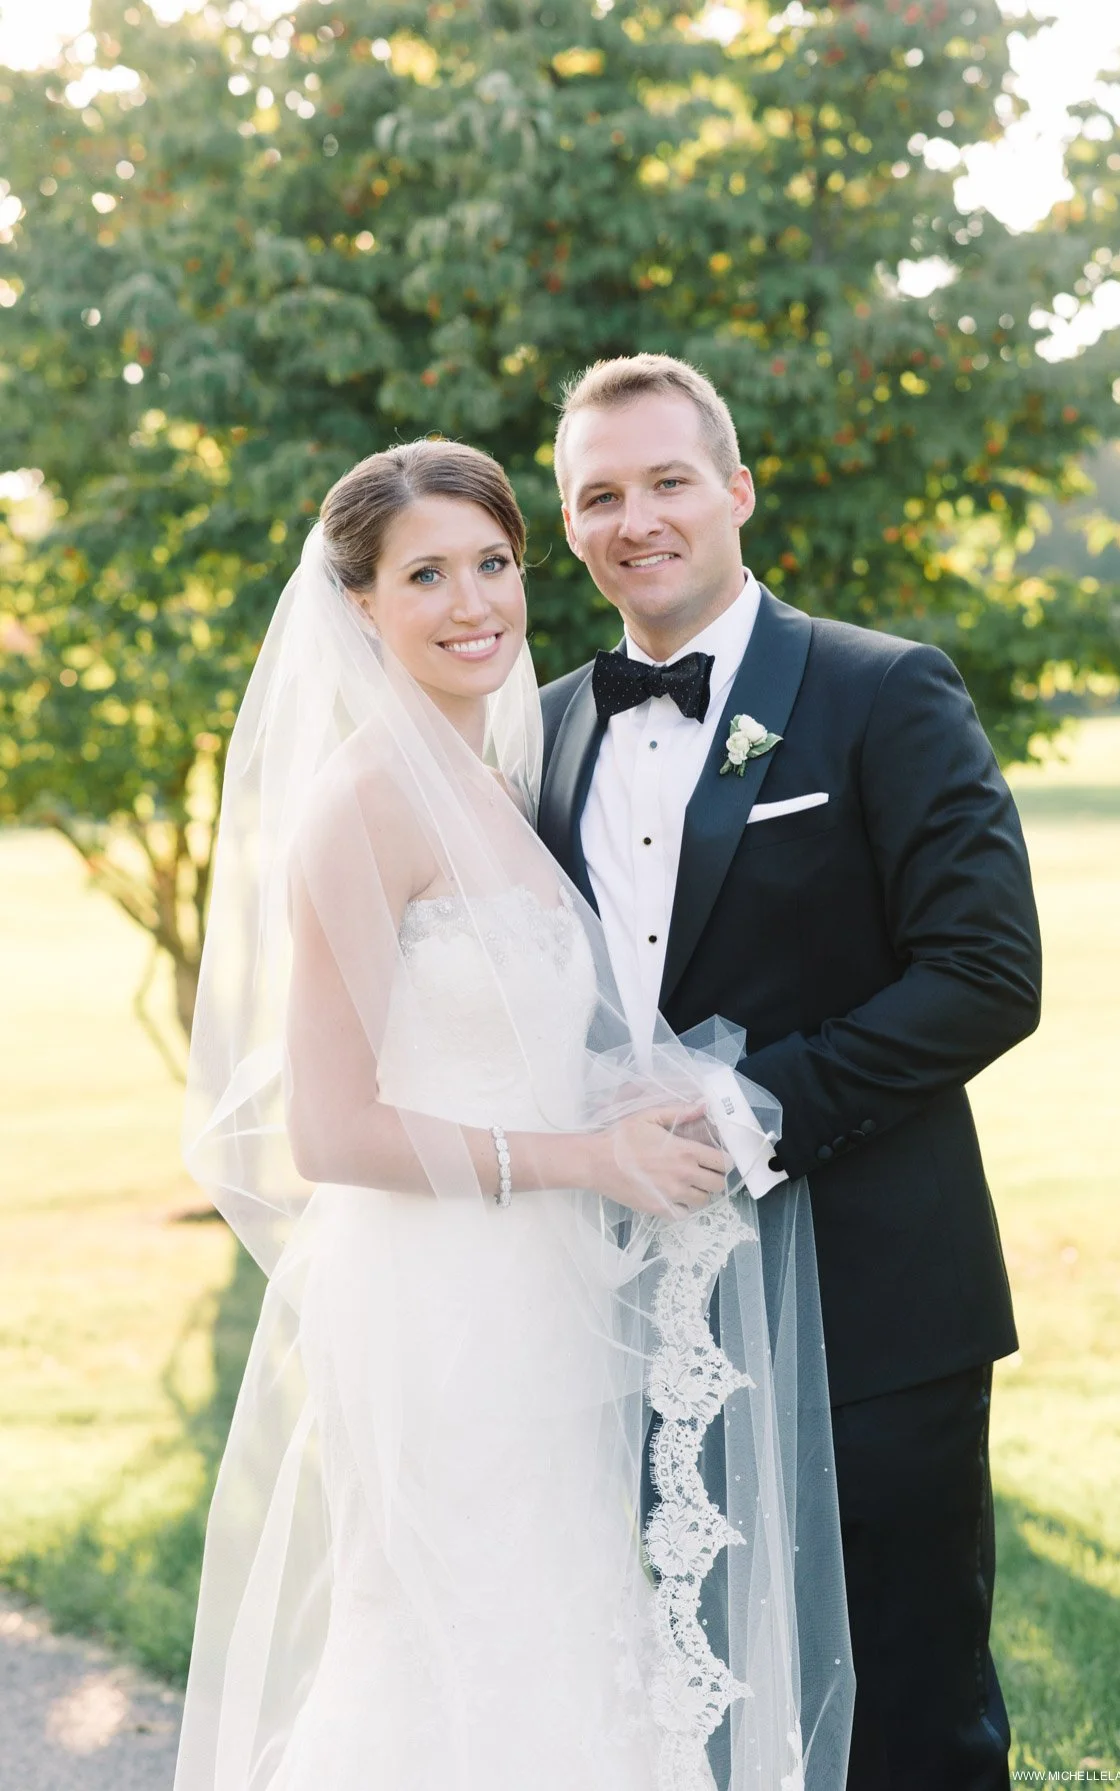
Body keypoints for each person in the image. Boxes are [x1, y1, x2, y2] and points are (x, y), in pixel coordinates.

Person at [173, 439, 854, 1791]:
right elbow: (332, 1129)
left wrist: (650, 1103)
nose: (475, 600)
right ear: (360, 603)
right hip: (438, 1300)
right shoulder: (363, 802)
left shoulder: (491, 772)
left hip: (532, 1284)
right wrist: (585, 1155)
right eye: (426, 573)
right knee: (460, 1635)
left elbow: (522, 1039)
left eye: (493, 562)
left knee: (557, 1619)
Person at [540, 354, 1042, 1791]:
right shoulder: (552, 725)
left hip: (872, 1301)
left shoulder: (887, 690)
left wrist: (748, 1106)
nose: (638, 518)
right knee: (693, 1698)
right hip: (634, 1315)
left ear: (738, 490)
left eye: (669, 480)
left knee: (907, 1708)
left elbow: (987, 971)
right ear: (572, 526)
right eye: (600, 495)